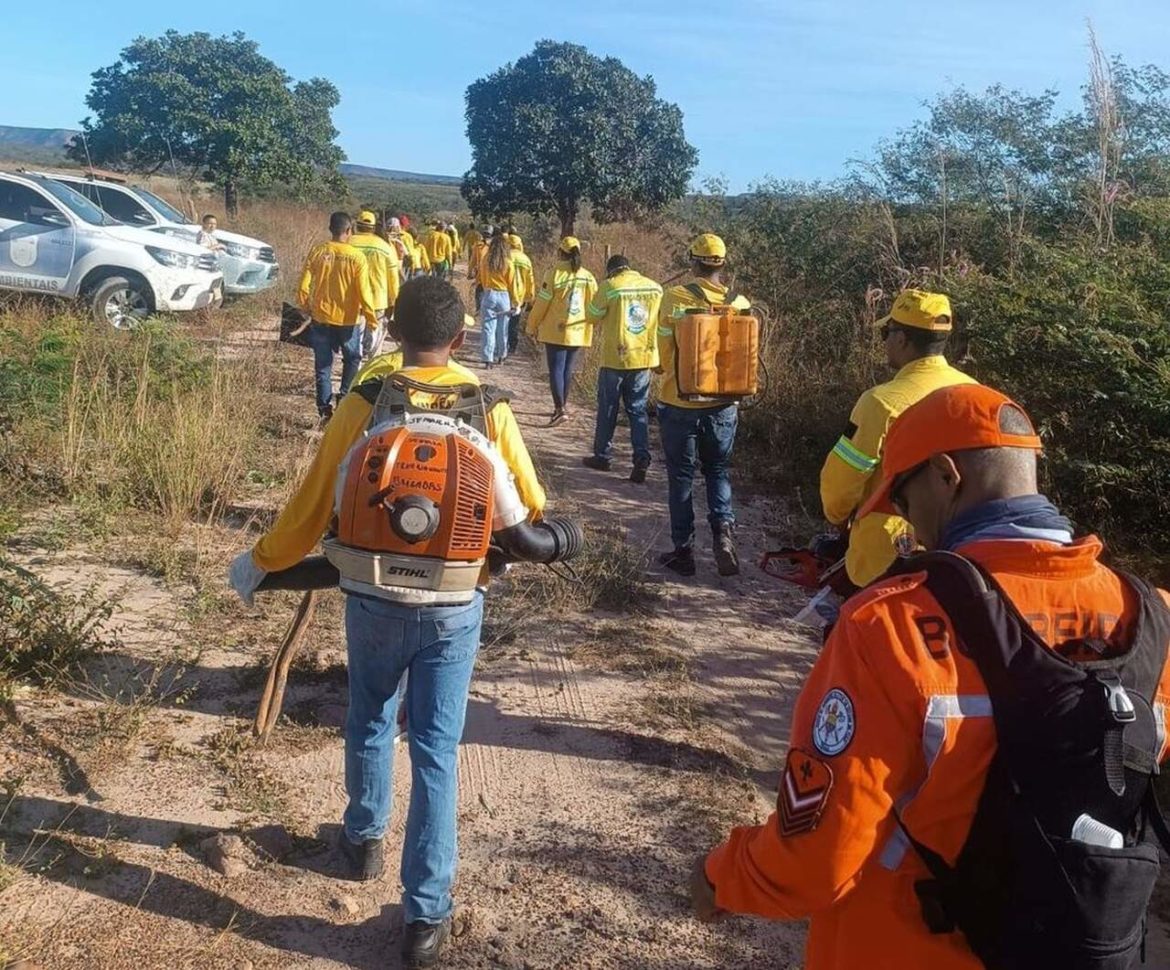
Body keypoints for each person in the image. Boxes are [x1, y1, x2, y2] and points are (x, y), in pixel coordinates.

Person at [691, 382, 1170, 969]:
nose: (904, 519)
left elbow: (817, 858)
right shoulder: (1153, 621)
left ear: (947, 476)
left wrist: (723, 875)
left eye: (902, 497)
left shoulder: (890, 625)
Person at [229, 277, 547, 970]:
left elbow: (317, 499)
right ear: (461, 339)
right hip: (456, 605)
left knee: (370, 715)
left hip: (372, 596)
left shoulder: (368, 397)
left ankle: (362, 841)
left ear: (392, 335)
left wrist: (263, 561)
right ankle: (425, 919)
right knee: (436, 750)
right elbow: (530, 508)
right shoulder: (489, 405)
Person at [820, 289, 975, 588]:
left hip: (885, 555)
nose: (886, 342)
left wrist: (837, 516)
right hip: (955, 553)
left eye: (886, 334)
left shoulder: (881, 402)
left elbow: (842, 480)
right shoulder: (975, 395)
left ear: (902, 340)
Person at [654, 234, 751, 577]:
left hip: (679, 402)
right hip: (724, 404)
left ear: (692, 261)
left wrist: (665, 373)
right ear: (723, 264)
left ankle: (684, 552)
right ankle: (723, 536)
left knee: (681, 476)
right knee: (718, 470)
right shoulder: (740, 302)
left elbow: (664, 351)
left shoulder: (675, 297)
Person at [581, 255, 662, 483]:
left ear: (611, 271)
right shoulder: (655, 288)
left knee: (608, 408)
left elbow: (592, 316)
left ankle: (602, 456)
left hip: (616, 358)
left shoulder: (610, 286)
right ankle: (641, 457)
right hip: (643, 359)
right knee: (637, 411)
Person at [297, 211, 378, 419]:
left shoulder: (318, 251)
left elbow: (304, 284)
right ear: (349, 230)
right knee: (352, 358)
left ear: (330, 229)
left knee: (323, 366)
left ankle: (324, 412)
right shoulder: (356, 257)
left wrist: (306, 306)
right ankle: (344, 398)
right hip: (347, 320)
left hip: (321, 317)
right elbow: (364, 290)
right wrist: (370, 317)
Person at [526, 237, 597, 426]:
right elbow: (593, 305)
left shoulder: (554, 274)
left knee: (556, 369)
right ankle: (562, 406)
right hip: (577, 330)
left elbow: (542, 303)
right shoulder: (587, 276)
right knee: (567, 370)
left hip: (555, 330)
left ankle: (559, 409)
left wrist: (531, 325)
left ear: (560, 252)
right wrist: (592, 324)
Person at [350, 210, 401, 358]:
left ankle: (355, 364)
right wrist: (394, 301)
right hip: (378, 300)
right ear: (373, 228)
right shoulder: (384, 247)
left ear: (357, 226)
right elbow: (393, 277)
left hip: (352, 299)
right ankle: (371, 365)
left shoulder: (347, 243)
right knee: (374, 335)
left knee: (355, 335)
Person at [476, 233, 516, 368]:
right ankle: (501, 356)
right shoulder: (508, 262)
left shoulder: (485, 260)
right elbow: (512, 284)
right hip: (504, 296)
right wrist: (515, 302)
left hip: (489, 294)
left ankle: (488, 359)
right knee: (503, 328)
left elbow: (481, 278)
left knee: (488, 328)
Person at [505, 233, 534, 355]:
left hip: (505, 293)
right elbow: (530, 280)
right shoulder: (526, 259)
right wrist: (530, 297)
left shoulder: (505, 257)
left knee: (503, 320)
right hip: (520, 296)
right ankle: (512, 345)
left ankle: (502, 345)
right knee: (514, 322)